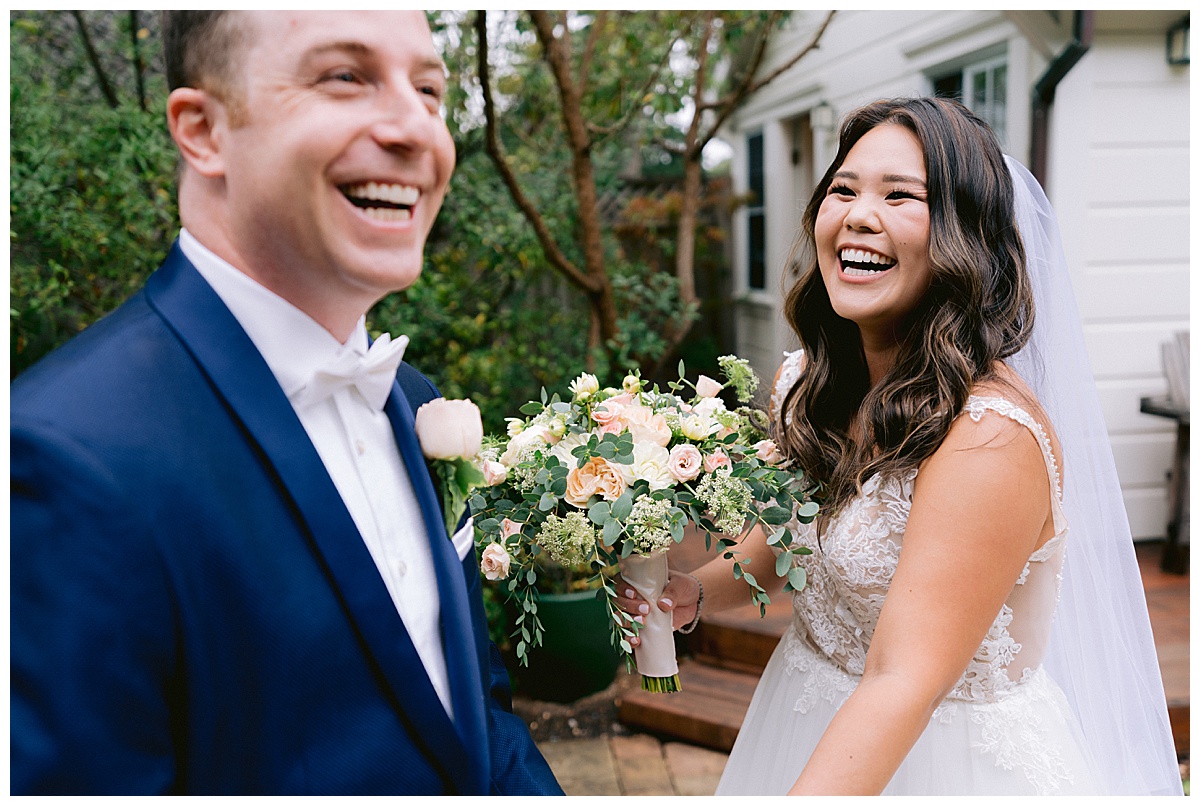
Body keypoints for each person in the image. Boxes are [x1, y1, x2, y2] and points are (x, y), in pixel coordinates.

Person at [11, 11, 561, 796]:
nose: (417, 129)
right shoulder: (61, 459)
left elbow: (476, 716)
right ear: (202, 130)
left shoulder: (415, 403)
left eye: (431, 89)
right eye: (345, 76)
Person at [618, 97, 1181, 795]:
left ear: (961, 236)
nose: (858, 214)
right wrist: (688, 594)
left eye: (899, 196)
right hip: (807, 711)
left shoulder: (989, 439)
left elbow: (903, 682)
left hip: (940, 762)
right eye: (843, 190)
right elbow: (802, 549)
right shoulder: (810, 382)